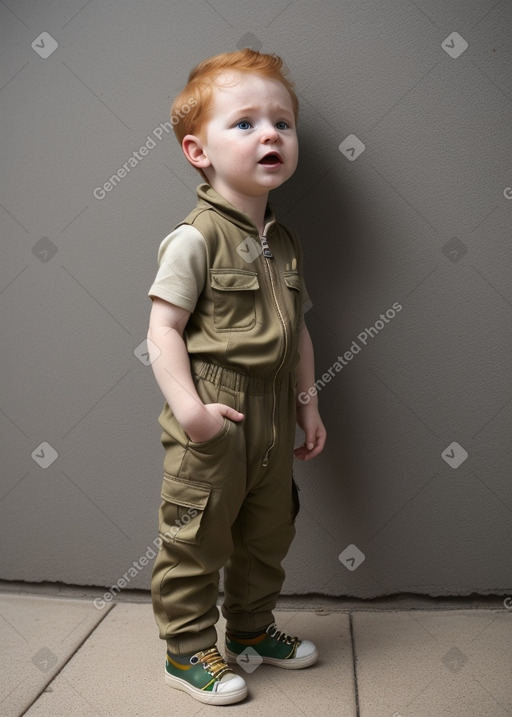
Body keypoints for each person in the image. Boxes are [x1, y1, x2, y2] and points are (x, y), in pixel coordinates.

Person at [147, 48, 326, 706]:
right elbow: (162, 332)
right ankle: (188, 648)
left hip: (275, 415)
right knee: (197, 537)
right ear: (199, 151)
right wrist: (192, 412)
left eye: (282, 122)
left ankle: (250, 629)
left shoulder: (283, 242)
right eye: (245, 123)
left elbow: (299, 330)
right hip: (215, 415)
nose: (270, 134)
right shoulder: (194, 239)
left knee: (267, 529)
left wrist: (308, 407)